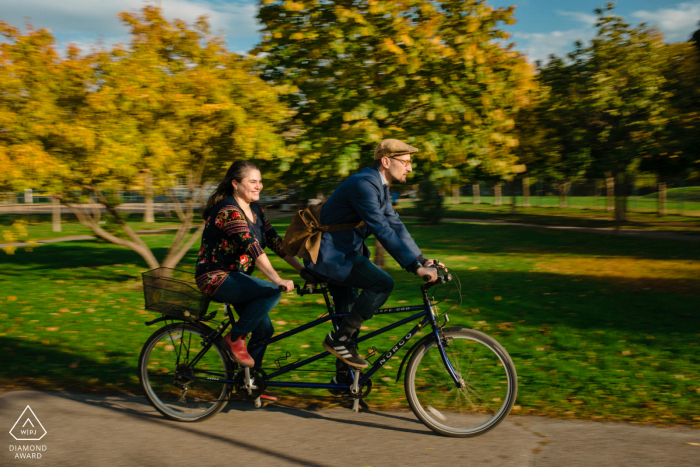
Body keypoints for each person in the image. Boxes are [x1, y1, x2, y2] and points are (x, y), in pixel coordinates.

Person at [305, 139, 445, 369]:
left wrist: (421, 259)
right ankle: (338, 340)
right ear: (386, 161)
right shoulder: (364, 185)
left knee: (349, 319)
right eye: (406, 162)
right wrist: (414, 267)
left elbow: (396, 225)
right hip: (332, 257)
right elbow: (382, 229)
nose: (410, 168)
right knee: (381, 283)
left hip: (343, 254)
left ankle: (344, 381)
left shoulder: (379, 186)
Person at [195, 161, 303, 401]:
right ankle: (234, 338)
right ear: (236, 184)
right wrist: (277, 279)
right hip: (214, 276)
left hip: (237, 277)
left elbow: (277, 244)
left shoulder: (256, 211)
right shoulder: (227, 210)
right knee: (270, 291)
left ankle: (250, 384)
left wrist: (304, 270)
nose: (259, 186)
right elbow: (252, 247)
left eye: (260, 181)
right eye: (252, 182)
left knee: (264, 329)